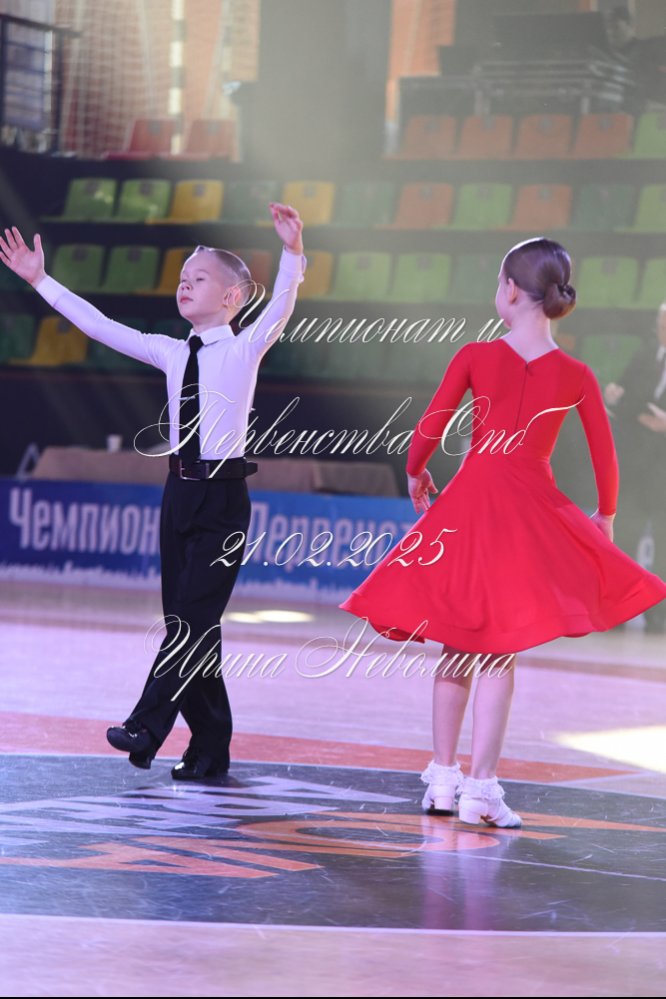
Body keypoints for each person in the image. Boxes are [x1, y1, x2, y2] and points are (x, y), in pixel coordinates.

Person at [339, 237, 666, 829]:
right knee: (497, 652)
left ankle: (443, 779)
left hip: (469, 504)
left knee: (456, 640)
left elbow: (430, 428)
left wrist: (415, 474)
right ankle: (480, 789)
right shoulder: (576, 373)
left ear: (510, 291)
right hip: (526, 511)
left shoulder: (475, 355)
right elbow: (604, 453)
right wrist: (606, 516)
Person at [0, 204, 305, 779]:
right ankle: (210, 749)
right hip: (178, 495)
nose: (184, 285)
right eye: (182, 278)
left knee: (190, 623)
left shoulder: (244, 348)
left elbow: (283, 306)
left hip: (223, 500)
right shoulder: (170, 351)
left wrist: (292, 252)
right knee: (190, 627)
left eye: (199, 278)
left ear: (232, 297)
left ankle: (146, 727)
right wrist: (41, 281)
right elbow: (100, 326)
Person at [604, 302, 666, 633]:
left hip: (663, 471)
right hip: (636, 466)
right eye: (661, 324)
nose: (663, 330)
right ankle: (619, 608)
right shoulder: (643, 355)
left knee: (664, 542)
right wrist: (622, 401)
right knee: (625, 536)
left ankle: (659, 615)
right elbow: (621, 396)